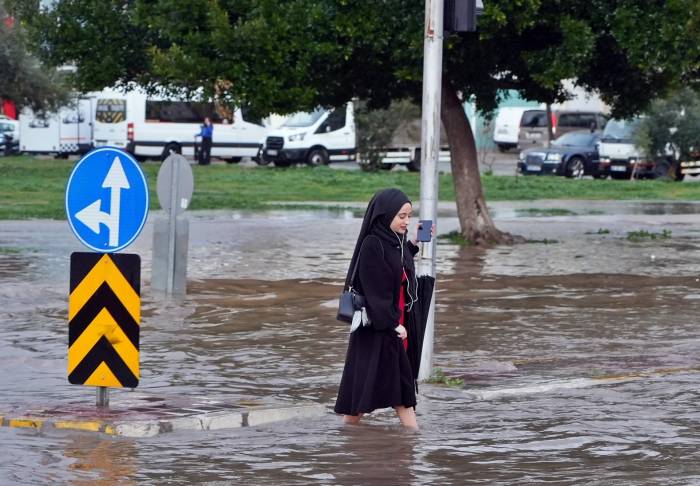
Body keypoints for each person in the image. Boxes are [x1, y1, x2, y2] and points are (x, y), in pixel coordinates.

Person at [334, 188, 431, 429]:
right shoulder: (372, 244)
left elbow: (397, 262)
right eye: (401, 216)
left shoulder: (393, 243)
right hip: (381, 331)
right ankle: (415, 443)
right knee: (383, 397)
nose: (406, 221)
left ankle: (347, 438)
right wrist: (392, 325)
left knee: (388, 394)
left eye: (409, 216)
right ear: (385, 214)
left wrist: (415, 242)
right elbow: (375, 290)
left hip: (395, 328)